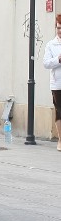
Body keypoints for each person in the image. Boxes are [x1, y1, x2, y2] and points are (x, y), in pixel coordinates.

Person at [43, 14, 61, 151]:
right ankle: (60, 140)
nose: (59, 31)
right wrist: (58, 59)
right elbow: (46, 63)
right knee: (59, 111)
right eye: (58, 28)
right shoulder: (51, 44)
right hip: (57, 83)